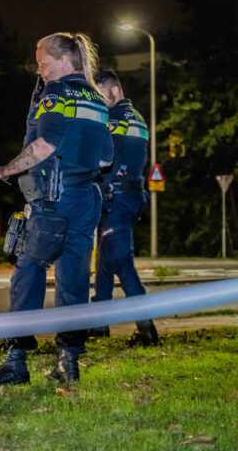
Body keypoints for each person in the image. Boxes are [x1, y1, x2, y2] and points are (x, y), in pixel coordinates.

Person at [0, 32, 113, 384]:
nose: (39, 72)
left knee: (29, 272)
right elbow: (105, 157)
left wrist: (4, 170)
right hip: (87, 199)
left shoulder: (58, 91)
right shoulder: (97, 99)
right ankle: (68, 361)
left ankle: (16, 359)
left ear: (64, 61)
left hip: (54, 198)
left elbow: (44, 145)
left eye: (43, 63)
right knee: (74, 277)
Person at [89, 70, 158, 345]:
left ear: (114, 91)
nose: (97, 102)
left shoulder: (114, 118)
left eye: (100, 95)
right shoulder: (137, 117)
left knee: (121, 263)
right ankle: (98, 324)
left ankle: (146, 329)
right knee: (105, 264)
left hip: (117, 199)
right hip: (128, 196)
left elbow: (100, 156)